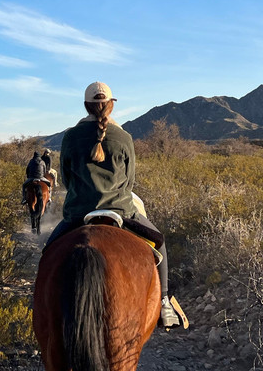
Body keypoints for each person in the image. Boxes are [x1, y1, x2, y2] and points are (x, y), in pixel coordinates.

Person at [45, 81, 182, 328]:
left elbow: (66, 179)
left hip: (78, 213)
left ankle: (41, 302)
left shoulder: (70, 137)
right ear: (110, 105)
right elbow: (129, 181)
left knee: (50, 249)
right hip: (121, 210)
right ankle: (164, 303)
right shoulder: (124, 137)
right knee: (159, 243)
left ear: (86, 106)